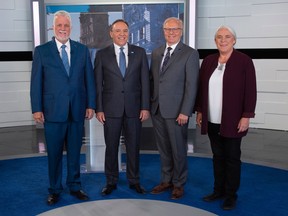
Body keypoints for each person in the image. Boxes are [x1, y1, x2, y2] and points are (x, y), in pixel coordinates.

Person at [30, 10, 96, 205]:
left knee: (75, 152)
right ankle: (55, 189)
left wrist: (91, 104)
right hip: (52, 111)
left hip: (76, 110)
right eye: (59, 25)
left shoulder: (82, 50)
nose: (63, 29)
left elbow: (89, 80)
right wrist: (36, 108)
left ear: (71, 28)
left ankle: (75, 185)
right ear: (53, 27)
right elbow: (36, 83)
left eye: (66, 25)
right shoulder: (42, 51)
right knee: (55, 154)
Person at [194, 25, 257, 210]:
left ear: (234, 40)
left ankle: (230, 195)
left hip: (233, 120)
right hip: (212, 119)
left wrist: (246, 116)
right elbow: (201, 90)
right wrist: (200, 111)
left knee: (232, 158)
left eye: (227, 37)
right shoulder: (209, 61)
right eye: (219, 37)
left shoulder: (243, 61)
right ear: (215, 41)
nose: (223, 40)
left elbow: (250, 91)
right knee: (217, 156)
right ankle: (218, 190)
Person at [94, 19, 150, 196]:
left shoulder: (139, 52)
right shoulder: (102, 54)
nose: (122, 34)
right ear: (111, 33)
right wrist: (99, 109)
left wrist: (145, 107)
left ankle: (134, 181)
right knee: (111, 147)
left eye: (125, 31)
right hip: (110, 110)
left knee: (134, 147)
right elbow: (97, 84)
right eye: (118, 31)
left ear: (128, 32)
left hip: (134, 109)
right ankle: (111, 181)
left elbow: (145, 82)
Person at [149, 17, 199, 199]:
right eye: (167, 29)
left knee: (178, 149)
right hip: (158, 109)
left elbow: (191, 85)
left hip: (178, 111)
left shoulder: (190, 54)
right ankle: (166, 180)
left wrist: (185, 111)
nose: (171, 32)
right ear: (163, 31)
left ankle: (179, 183)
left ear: (181, 31)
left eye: (175, 29)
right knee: (164, 149)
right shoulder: (156, 53)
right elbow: (154, 80)